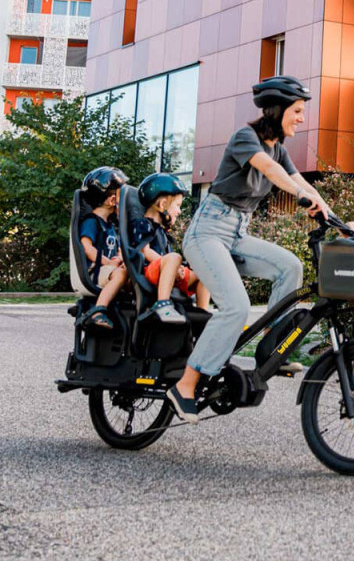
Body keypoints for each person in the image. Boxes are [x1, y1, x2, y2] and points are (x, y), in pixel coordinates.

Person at [167, 75, 332, 424]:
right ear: (278, 109)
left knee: (290, 267)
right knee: (236, 306)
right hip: (207, 232)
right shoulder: (246, 138)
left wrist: (334, 216)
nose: (302, 118)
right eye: (298, 111)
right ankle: (185, 386)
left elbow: (300, 181)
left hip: (237, 233)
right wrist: (300, 198)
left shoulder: (279, 148)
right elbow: (269, 170)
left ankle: (271, 347)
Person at [130, 172, 211, 324]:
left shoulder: (162, 231)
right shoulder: (143, 224)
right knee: (174, 257)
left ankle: (202, 315)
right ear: (162, 205)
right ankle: (162, 304)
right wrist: (172, 264)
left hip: (168, 272)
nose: (179, 211)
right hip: (151, 272)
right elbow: (144, 250)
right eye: (178, 206)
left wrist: (177, 268)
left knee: (204, 272)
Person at [78, 166, 129, 330]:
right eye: (122, 195)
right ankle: (97, 311)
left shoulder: (110, 226)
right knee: (121, 274)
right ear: (111, 200)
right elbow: (86, 247)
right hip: (95, 272)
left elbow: (119, 249)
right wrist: (108, 263)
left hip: (108, 270)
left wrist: (120, 259)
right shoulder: (92, 222)